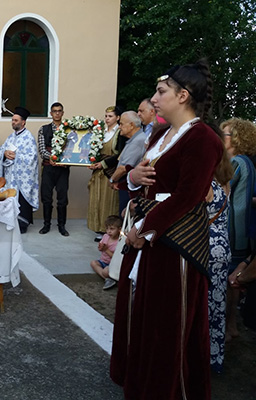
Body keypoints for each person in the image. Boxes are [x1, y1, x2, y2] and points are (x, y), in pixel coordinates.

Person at [110, 60, 223, 400]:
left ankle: (165, 390)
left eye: (161, 92)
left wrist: (144, 230)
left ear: (183, 96)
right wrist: (133, 178)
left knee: (166, 323)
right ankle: (140, 382)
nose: (154, 99)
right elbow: (141, 180)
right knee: (143, 314)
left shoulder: (203, 138)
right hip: (151, 237)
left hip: (176, 244)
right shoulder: (159, 135)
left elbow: (188, 197)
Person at [219, 118, 256, 341]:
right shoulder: (246, 162)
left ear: (236, 139)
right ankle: (230, 326)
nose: (220, 138)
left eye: (224, 134)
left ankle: (228, 326)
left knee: (230, 280)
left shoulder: (237, 163)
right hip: (241, 229)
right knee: (233, 279)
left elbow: (217, 189)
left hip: (233, 229)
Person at [206, 131, 233, 373]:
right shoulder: (225, 178)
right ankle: (215, 357)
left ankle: (199, 356)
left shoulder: (207, 182)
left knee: (203, 305)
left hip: (206, 247)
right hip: (222, 247)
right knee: (217, 305)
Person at [0, 107, 39, 234]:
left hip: (22, 178)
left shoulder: (28, 138)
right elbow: (1, 150)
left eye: (16, 120)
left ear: (23, 122)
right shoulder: (10, 137)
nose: (13, 122)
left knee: (21, 200)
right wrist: (4, 153)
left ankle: (22, 225)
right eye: (12, 120)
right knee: (10, 198)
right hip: (10, 177)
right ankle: (10, 221)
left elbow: (32, 158)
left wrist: (17, 156)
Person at [87, 106, 123, 241]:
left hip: (110, 171)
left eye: (110, 116)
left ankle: (109, 230)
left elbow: (120, 155)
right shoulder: (100, 132)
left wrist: (103, 163)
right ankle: (98, 227)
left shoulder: (119, 133)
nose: (107, 119)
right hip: (98, 171)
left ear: (117, 118)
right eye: (106, 116)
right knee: (97, 199)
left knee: (108, 200)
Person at [37, 102, 71, 236]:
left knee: (62, 198)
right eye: (54, 111)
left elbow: (72, 148)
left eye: (59, 111)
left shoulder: (69, 129)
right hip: (48, 167)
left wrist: (63, 160)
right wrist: (52, 158)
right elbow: (41, 149)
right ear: (50, 113)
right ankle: (46, 225)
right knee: (46, 197)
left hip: (63, 169)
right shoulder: (43, 129)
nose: (57, 113)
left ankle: (62, 226)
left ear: (63, 113)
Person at [108, 111, 147, 214]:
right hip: (126, 183)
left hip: (129, 186)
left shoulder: (138, 141)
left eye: (121, 124)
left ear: (131, 125)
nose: (119, 127)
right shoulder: (135, 139)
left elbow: (124, 168)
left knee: (125, 214)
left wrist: (112, 180)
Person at [89, 215, 122, 290]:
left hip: (112, 264)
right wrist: (100, 247)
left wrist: (106, 249)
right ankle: (108, 279)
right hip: (103, 261)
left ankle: (109, 278)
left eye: (112, 229)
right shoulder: (106, 236)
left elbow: (116, 257)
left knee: (105, 271)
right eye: (107, 228)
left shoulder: (119, 241)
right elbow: (101, 248)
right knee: (93, 263)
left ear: (119, 229)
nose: (109, 231)